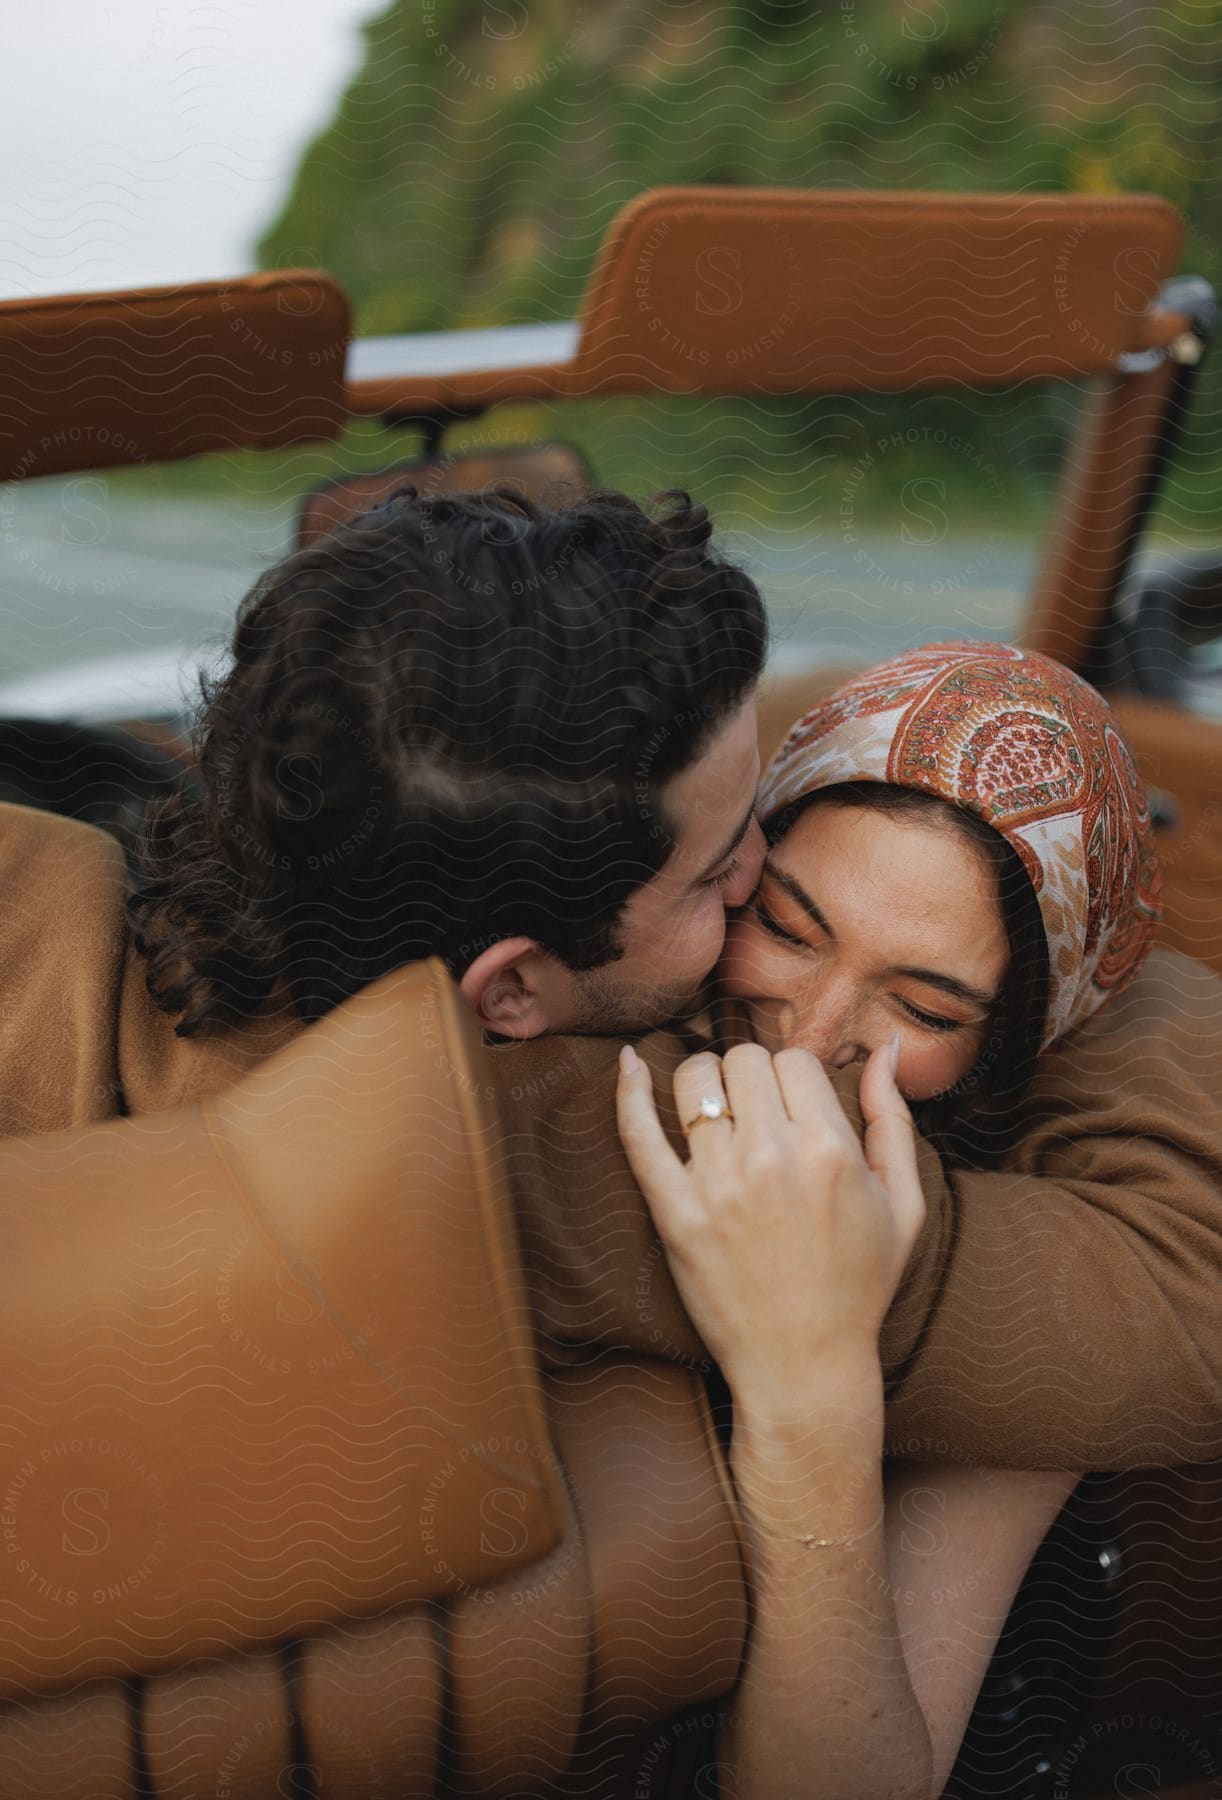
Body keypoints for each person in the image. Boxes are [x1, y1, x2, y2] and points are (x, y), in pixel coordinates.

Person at [615, 641, 1163, 1797]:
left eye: (921, 1004)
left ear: (1003, 1045)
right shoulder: (601, 1008)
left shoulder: (1047, 1277)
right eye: (789, 925)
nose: (809, 1037)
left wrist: (805, 1382)